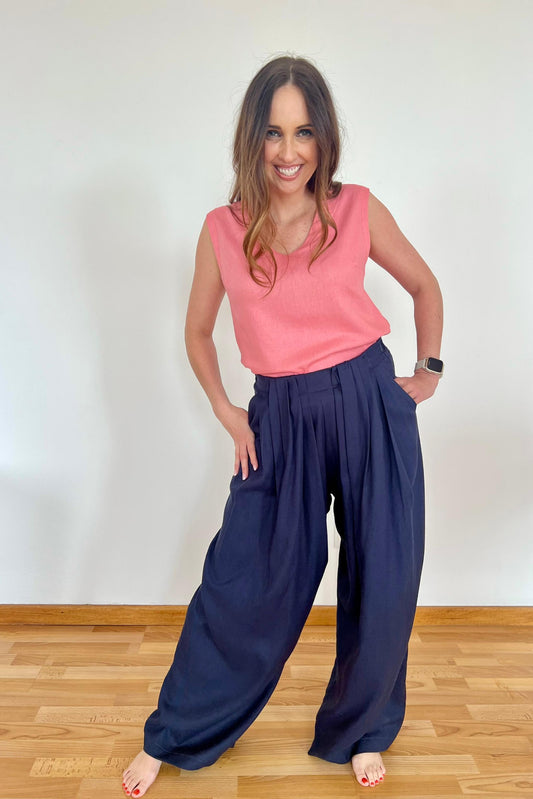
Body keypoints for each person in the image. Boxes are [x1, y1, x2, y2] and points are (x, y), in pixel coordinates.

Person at [121, 54, 443, 797]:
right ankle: (175, 731)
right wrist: (226, 410)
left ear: (324, 137)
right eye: (273, 132)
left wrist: (426, 374)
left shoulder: (356, 209)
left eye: (303, 132)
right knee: (246, 579)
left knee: (384, 576)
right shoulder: (223, 229)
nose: (289, 151)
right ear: (252, 139)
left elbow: (424, 285)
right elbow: (197, 331)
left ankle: (363, 731)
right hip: (280, 417)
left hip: (367, 398)